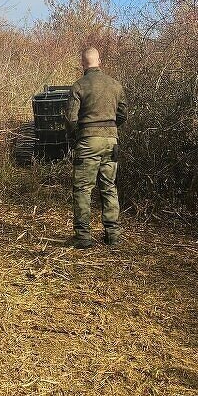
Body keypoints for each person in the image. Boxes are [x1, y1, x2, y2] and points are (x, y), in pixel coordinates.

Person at [64, 47, 128, 250]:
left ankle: (83, 237)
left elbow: (71, 119)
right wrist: (109, 128)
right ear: (99, 61)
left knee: (83, 189)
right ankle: (112, 235)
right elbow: (123, 115)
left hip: (88, 141)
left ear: (82, 63)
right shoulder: (115, 85)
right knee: (109, 187)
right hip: (111, 141)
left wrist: (76, 136)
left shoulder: (79, 86)